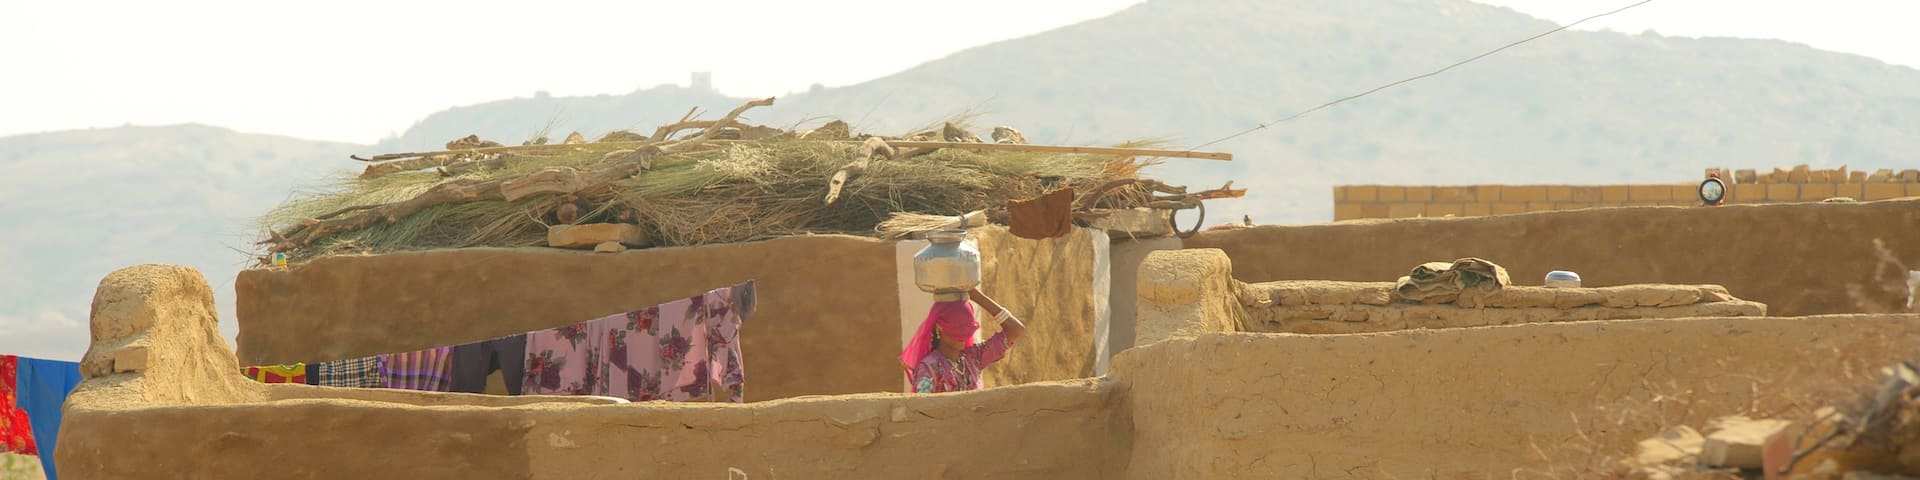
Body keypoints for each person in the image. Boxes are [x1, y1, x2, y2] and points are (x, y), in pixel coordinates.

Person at [901, 287, 1026, 393]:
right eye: (956, 329)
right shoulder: (929, 368)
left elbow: (1015, 329)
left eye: (967, 328)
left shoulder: (973, 358)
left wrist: (976, 296)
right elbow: (921, 413)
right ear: (940, 327)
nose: (963, 335)